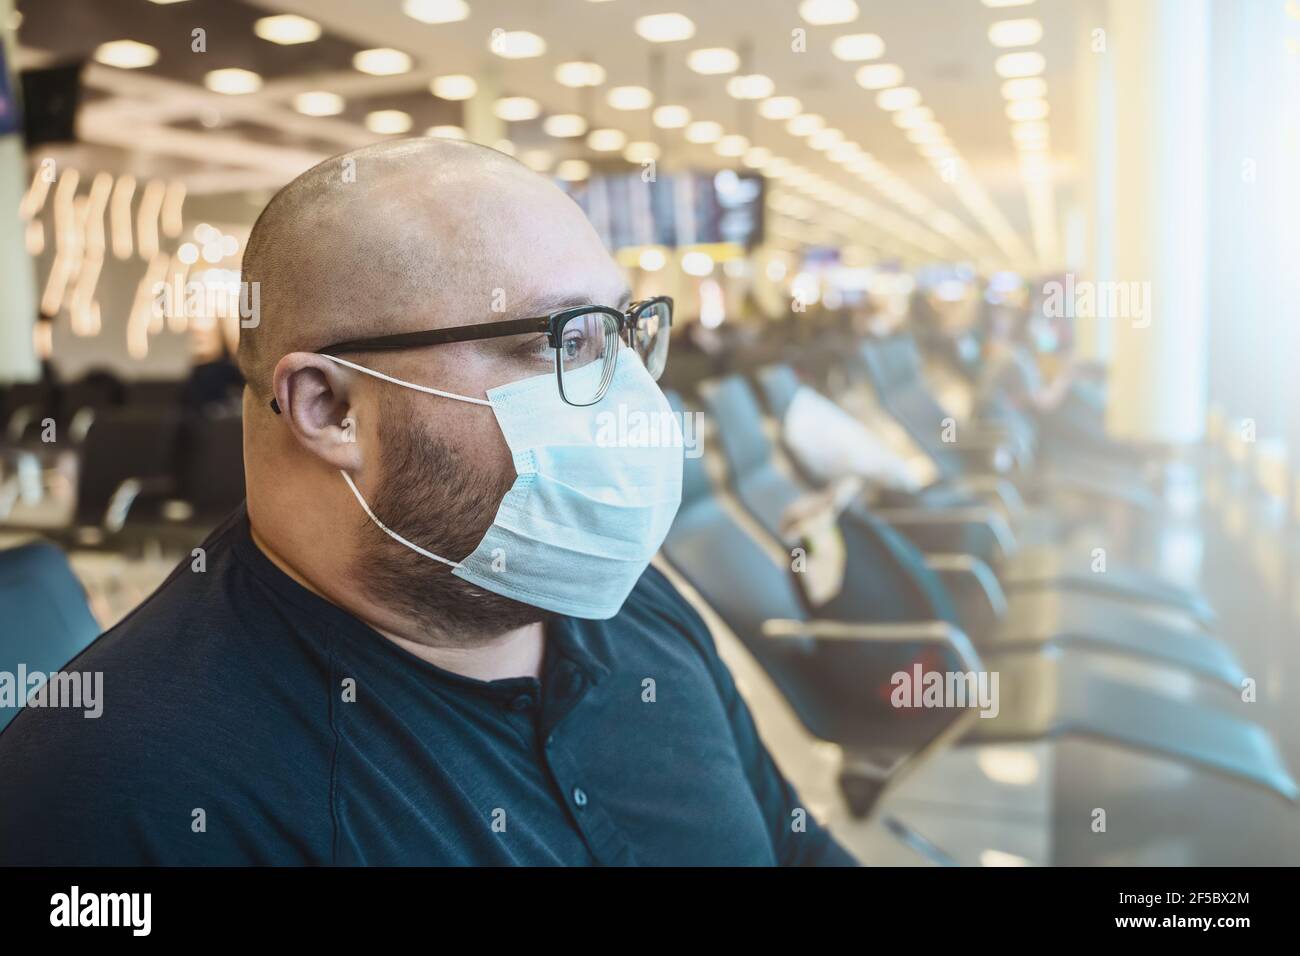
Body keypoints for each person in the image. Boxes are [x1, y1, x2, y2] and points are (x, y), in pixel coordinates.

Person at [0, 139, 855, 866]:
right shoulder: (128, 794)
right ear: (332, 408)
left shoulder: (627, 600)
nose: (630, 399)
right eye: (559, 341)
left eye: (623, 332)